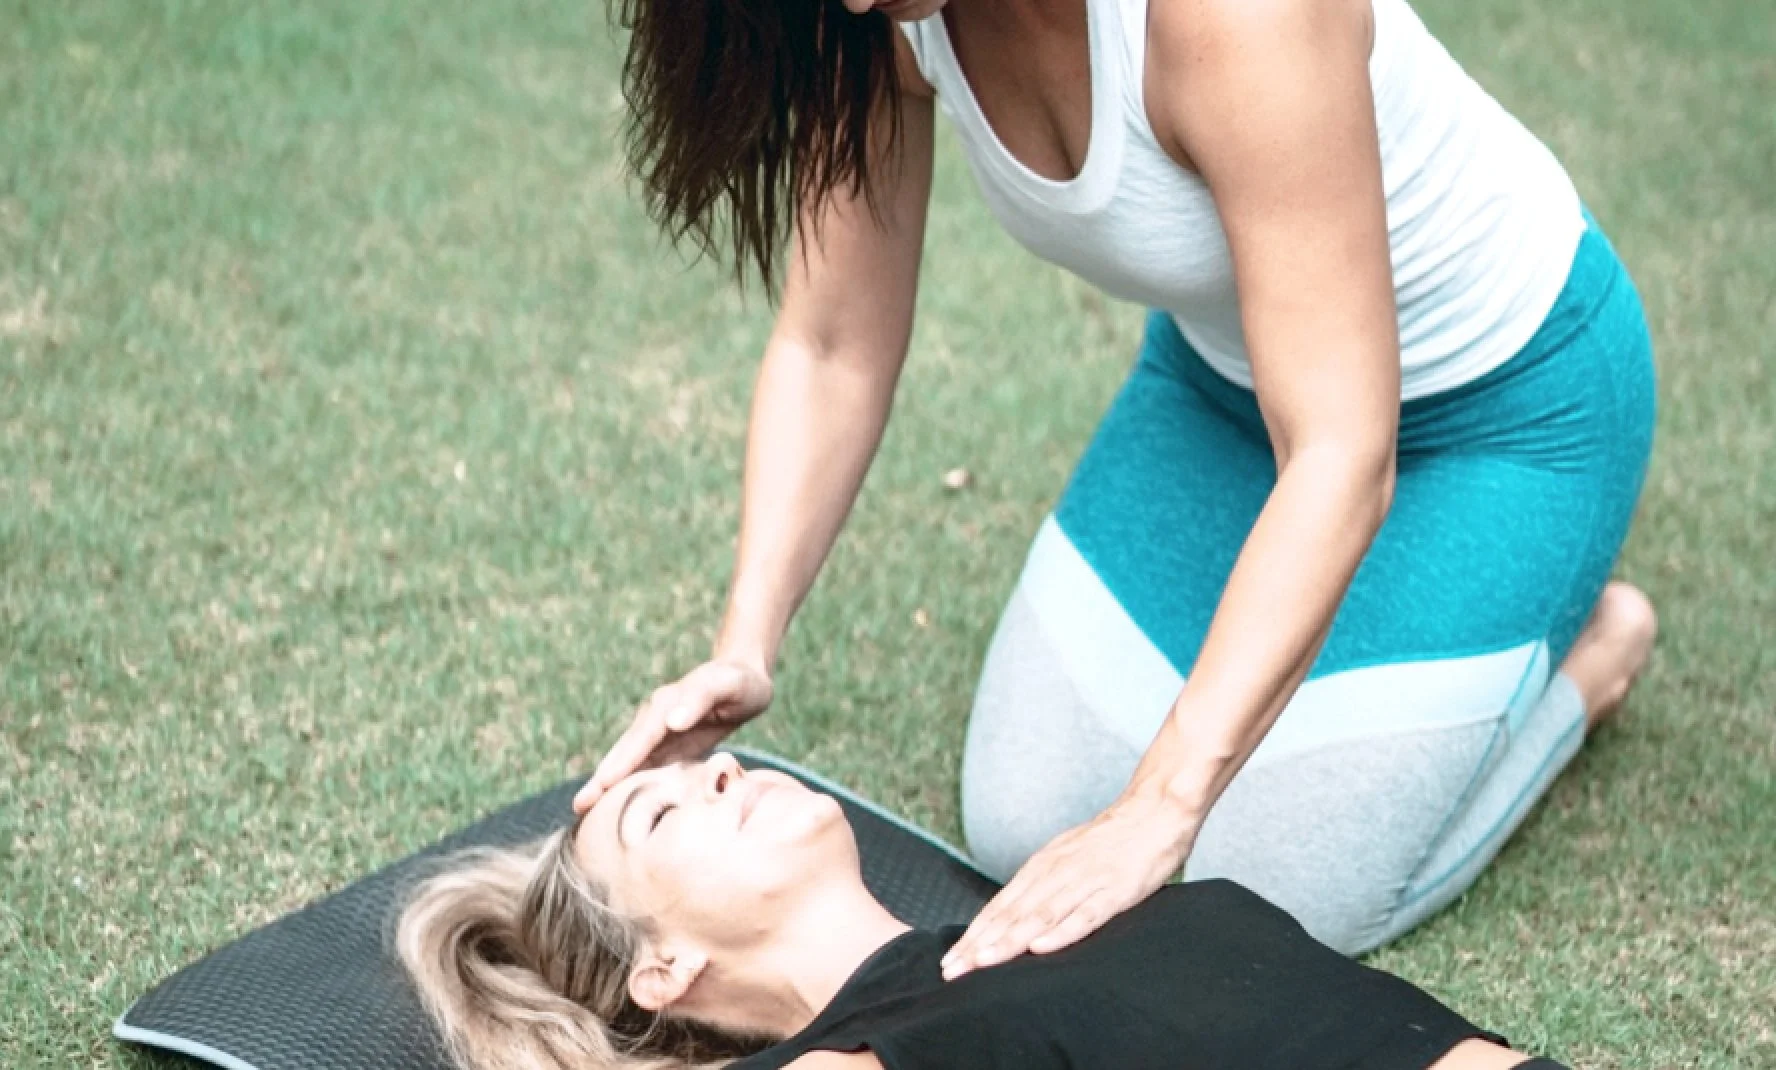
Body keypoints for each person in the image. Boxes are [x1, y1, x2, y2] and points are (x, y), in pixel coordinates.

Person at [576, 0, 1660, 961]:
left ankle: (1589, 657)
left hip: (1508, 413)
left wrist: (1162, 801)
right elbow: (831, 342)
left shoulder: (1235, 17)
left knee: (1277, 889)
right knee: (1021, 817)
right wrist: (745, 638)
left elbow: (1341, 448)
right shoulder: (883, 20)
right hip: (1224, 401)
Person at [401, 754, 1574, 1070]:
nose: (717, 773)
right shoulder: (846, 1052)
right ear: (662, 968)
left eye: (710, 765)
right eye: (657, 819)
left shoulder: (1050, 904)